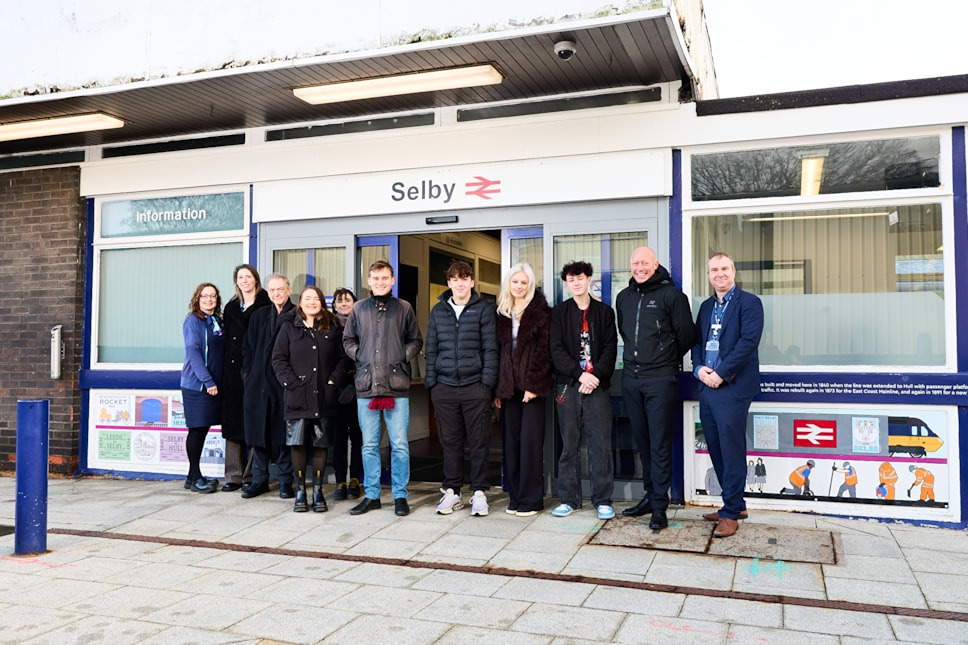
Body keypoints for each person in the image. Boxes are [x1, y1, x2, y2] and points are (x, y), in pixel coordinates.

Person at [616, 246, 696, 531]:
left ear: (656, 264)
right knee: (643, 442)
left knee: (660, 444)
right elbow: (624, 332)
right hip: (632, 379)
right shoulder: (623, 297)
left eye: (645, 263)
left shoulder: (672, 296)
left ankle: (660, 507)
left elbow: (687, 335)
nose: (640, 267)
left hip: (660, 380)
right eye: (635, 262)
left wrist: (664, 360)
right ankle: (649, 498)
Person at [343, 260, 423, 517]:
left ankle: (400, 495)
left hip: (395, 385)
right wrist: (361, 357)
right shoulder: (358, 309)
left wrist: (401, 356)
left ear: (392, 280)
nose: (380, 282)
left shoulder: (404, 308)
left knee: (399, 444)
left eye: (385, 278)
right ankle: (372, 494)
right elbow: (348, 340)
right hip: (367, 386)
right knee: (369, 445)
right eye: (375, 278)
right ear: (369, 281)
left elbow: (415, 339)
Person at [692, 251, 764, 538]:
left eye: (724, 268)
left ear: (733, 272)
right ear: (708, 275)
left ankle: (731, 513)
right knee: (716, 447)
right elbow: (697, 342)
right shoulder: (707, 307)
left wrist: (721, 373)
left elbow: (748, 343)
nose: (719, 273)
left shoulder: (750, 303)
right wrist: (699, 369)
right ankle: (734, 503)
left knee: (732, 450)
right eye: (713, 270)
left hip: (732, 387)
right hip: (707, 386)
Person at [425, 260, 499, 517]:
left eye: (464, 278)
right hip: (444, 387)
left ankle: (479, 493)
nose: (459, 283)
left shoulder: (483, 310)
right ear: (449, 283)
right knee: (450, 442)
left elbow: (491, 349)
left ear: (471, 282)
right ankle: (452, 491)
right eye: (454, 279)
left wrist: (487, 383)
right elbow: (431, 348)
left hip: (474, 386)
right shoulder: (438, 311)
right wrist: (432, 383)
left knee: (479, 441)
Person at [549, 261, 618, 521]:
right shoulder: (559, 313)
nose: (576, 283)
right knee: (569, 445)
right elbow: (556, 350)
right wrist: (580, 375)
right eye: (570, 279)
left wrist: (595, 376)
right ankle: (568, 499)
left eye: (580, 278)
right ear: (566, 284)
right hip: (569, 385)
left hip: (597, 387)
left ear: (589, 279)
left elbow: (610, 348)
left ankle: (603, 500)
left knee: (600, 444)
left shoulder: (604, 312)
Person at [272, 286, 349, 513]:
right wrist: (292, 384)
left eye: (315, 298)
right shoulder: (288, 327)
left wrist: (333, 381)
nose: (312, 302)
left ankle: (317, 490)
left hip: (324, 398)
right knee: (297, 445)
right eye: (307, 298)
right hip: (297, 397)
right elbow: (278, 359)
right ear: (300, 303)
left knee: (320, 445)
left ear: (321, 302)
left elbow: (343, 359)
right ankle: (300, 491)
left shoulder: (332, 327)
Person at [494, 263, 552, 518]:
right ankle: (516, 496)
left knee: (530, 445)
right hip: (508, 390)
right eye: (515, 282)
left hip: (531, 390)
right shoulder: (501, 313)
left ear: (530, 285)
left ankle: (532, 499)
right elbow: (497, 354)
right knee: (511, 444)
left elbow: (544, 352)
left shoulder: (540, 312)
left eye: (523, 282)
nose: (519, 286)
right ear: (509, 284)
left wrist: (534, 386)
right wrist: (497, 389)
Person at [241, 273, 296, 499]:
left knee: (282, 436)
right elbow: (247, 348)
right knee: (258, 435)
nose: (276, 294)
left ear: (289, 290)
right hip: (257, 384)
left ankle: (285, 481)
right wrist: (247, 374)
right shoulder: (259, 315)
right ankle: (259, 480)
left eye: (280, 289)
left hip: (283, 385)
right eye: (272, 290)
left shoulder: (295, 315)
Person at [220, 264, 270, 492]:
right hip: (231, 373)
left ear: (256, 280)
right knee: (232, 423)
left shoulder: (266, 304)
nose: (244, 281)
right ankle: (233, 475)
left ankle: (252, 474)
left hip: (255, 370)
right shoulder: (231, 307)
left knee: (254, 422)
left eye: (248, 276)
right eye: (240, 277)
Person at [180, 283, 224, 494]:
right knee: (197, 430)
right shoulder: (193, 321)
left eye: (213, 296)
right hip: (198, 386)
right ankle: (196, 476)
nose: (209, 300)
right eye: (205, 296)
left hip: (213, 384)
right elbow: (194, 351)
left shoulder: (215, 320)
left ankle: (192, 476)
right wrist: (208, 381)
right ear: (197, 299)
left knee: (203, 428)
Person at [331, 287, 363, 500]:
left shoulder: (362, 324)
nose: (343, 304)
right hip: (336, 389)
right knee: (338, 437)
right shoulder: (329, 326)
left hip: (359, 387)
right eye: (339, 301)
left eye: (347, 300)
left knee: (359, 437)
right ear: (334, 305)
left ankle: (355, 480)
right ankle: (340, 480)